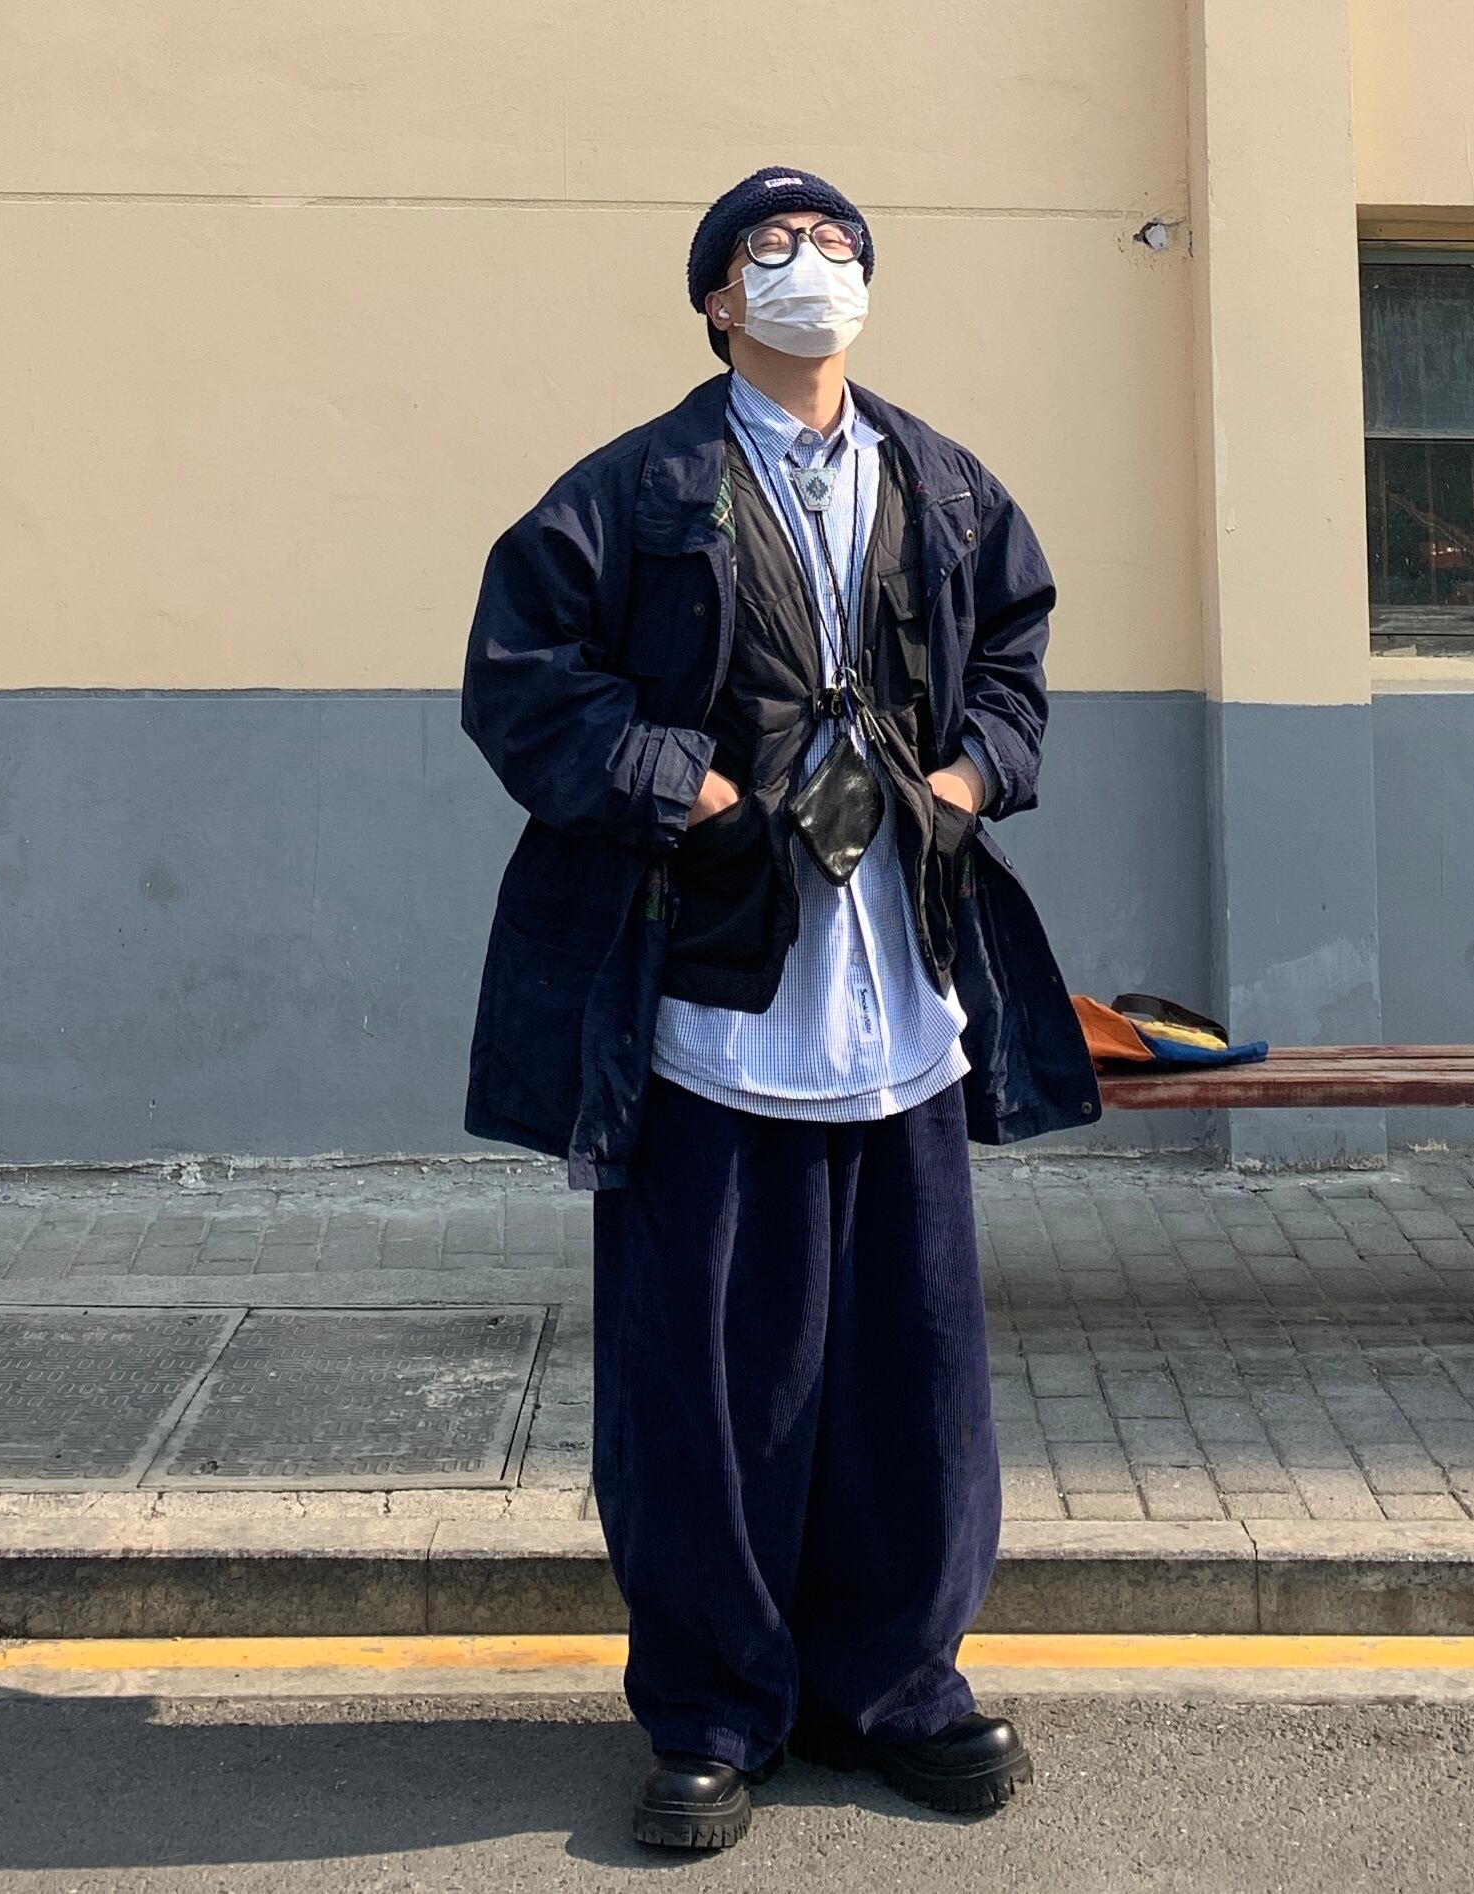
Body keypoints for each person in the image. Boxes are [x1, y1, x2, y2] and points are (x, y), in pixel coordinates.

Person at [461, 164, 1097, 1851]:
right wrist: (691, 790)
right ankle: (712, 1708)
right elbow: (519, 682)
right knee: (703, 1388)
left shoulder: (943, 484)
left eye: (835, 245)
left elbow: (1017, 663)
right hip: (709, 1014)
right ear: (715, 300)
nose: (810, 267)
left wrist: (960, 782)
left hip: (899, 1008)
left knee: (913, 1374)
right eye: (772, 247)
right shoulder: (632, 490)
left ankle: (896, 1688)